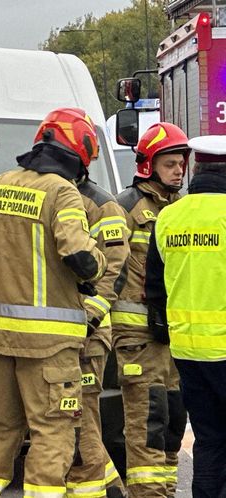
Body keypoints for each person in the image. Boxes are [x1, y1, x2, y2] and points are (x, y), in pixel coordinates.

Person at [0, 107, 107, 497]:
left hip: (3, 340)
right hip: (51, 345)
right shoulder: (62, 191)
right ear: (77, 153)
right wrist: (97, 265)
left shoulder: (0, 184)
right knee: (53, 433)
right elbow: (79, 257)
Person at [145, 135, 226, 498]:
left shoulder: (168, 217)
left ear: (196, 167)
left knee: (209, 440)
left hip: (186, 352)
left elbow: (154, 287)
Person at [112, 122, 190, 497]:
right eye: (170, 163)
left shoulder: (181, 209)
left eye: (181, 163)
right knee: (147, 423)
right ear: (148, 165)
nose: (178, 170)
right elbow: (105, 267)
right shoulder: (126, 207)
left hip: (173, 337)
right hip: (137, 337)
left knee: (174, 423)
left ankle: (166, 492)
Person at [66, 155, 130, 497]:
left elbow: (115, 270)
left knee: (81, 420)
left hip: (88, 334)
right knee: (77, 421)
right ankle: (112, 490)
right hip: (60, 330)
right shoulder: (55, 194)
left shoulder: (102, 206)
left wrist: (88, 318)